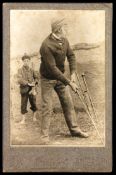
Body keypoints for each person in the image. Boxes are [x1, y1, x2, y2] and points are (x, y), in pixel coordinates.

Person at [39, 18, 89, 143]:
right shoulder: (46, 45)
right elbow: (52, 69)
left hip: (60, 77)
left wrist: (72, 73)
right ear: (59, 29)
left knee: (68, 103)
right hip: (47, 79)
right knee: (47, 107)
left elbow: (71, 56)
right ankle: (44, 136)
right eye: (66, 27)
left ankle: (74, 130)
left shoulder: (65, 40)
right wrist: (69, 82)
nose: (68, 29)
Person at [17, 54, 38, 124]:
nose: (26, 62)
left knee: (33, 103)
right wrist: (28, 83)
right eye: (25, 61)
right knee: (23, 104)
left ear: (29, 61)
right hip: (24, 90)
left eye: (27, 61)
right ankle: (23, 120)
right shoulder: (20, 70)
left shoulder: (32, 70)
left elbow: (36, 78)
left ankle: (34, 117)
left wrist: (34, 83)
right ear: (23, 61)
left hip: (32, 90)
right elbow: (19, 80)